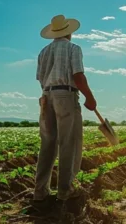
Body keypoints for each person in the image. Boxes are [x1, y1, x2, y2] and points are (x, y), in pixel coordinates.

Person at [33, 14, 97, 202]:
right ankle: (65, 191)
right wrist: (90, 97)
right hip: (65, 95)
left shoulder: (43, 52)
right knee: (69, 143)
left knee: (47, 144)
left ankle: (40, 192)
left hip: (46, 96)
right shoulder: (73, 48)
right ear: (69, 33)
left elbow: (40, 78)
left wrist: (48, 95)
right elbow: (78, 75)